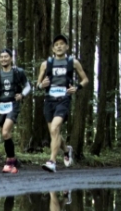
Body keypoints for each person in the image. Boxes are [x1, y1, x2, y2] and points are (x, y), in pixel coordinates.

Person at [36, 34, 90, 173]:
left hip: (64, 99)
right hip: (49, 100)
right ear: (53, 48)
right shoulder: (46, 64)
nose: (59, 46)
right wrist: (42, 84)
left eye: (62, 44)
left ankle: (52, 161)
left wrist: (77, 87)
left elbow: (85, 79)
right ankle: (66, 150)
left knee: (55, 128)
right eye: (56, 44)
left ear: (67, 47)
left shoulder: (73, 62)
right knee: (54, 133)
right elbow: (37, 84)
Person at [0, 49, 32, 174]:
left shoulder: (18, 72)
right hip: (1, 105)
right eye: (1, 57)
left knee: (6, 131)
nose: (3, 59)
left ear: (11, 58)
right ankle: (14, 160)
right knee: (5, 134)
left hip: (13, 104)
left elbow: (28, 86)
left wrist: (22, 95)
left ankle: (10, 163)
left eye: (6, 57)